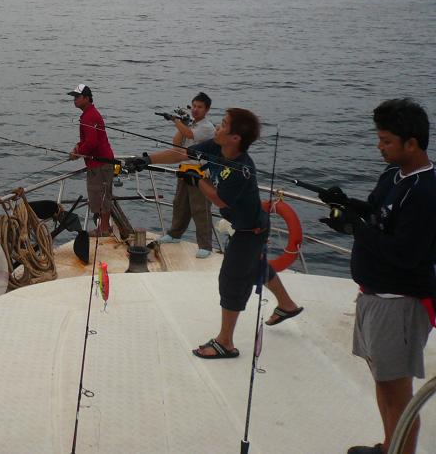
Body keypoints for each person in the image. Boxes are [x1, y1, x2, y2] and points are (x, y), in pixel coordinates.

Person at [125, 108, 302, 359]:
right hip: (248, 226)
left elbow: (219, 200)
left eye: (223, 125)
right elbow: (182, 153)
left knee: (231, 280)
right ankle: (287, 305)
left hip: (249, 232)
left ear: (235, 138)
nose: (218, 128)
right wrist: (146, 159)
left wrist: (197, 179)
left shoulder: (241, 169)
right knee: (255, 266)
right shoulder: (218, 147)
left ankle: (225, 343)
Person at [317, 98, 435, 454]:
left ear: (411, 144)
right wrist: (349, 206)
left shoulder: (427, 191)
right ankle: (390, 446)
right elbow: (379, 214)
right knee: (383, 385)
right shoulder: (393, 174)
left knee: (399, 396)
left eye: (385, 141)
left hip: (398, 304)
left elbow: (405, 254)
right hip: (373, 296)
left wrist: (356, 228)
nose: (378, 146)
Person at [157, 92, 217, 258]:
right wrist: (181, 124)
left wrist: (176, 121)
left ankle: (205, 246)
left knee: (200, 209)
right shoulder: (190, 125)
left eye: (200, 107)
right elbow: (176, 143)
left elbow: (191, 136)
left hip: (201, 174)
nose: (196, 110)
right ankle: (174, 234)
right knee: (179, 205)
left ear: (207, 110)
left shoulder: (207, 127)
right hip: (185, 170)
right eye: (194, 106)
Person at [67, 83, 116, 238]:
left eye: (77, 97)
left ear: (87, 98)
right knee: (102, 195)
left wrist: (78, 153)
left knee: (100, 196)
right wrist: (78, 147)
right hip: (101, 162)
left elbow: (92, 143)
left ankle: (103, 229)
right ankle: (104, 227)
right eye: (73, 97)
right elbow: (88, 140)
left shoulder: (89, 116)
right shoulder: (89, 114)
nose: (74, 100)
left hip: (100, 164)